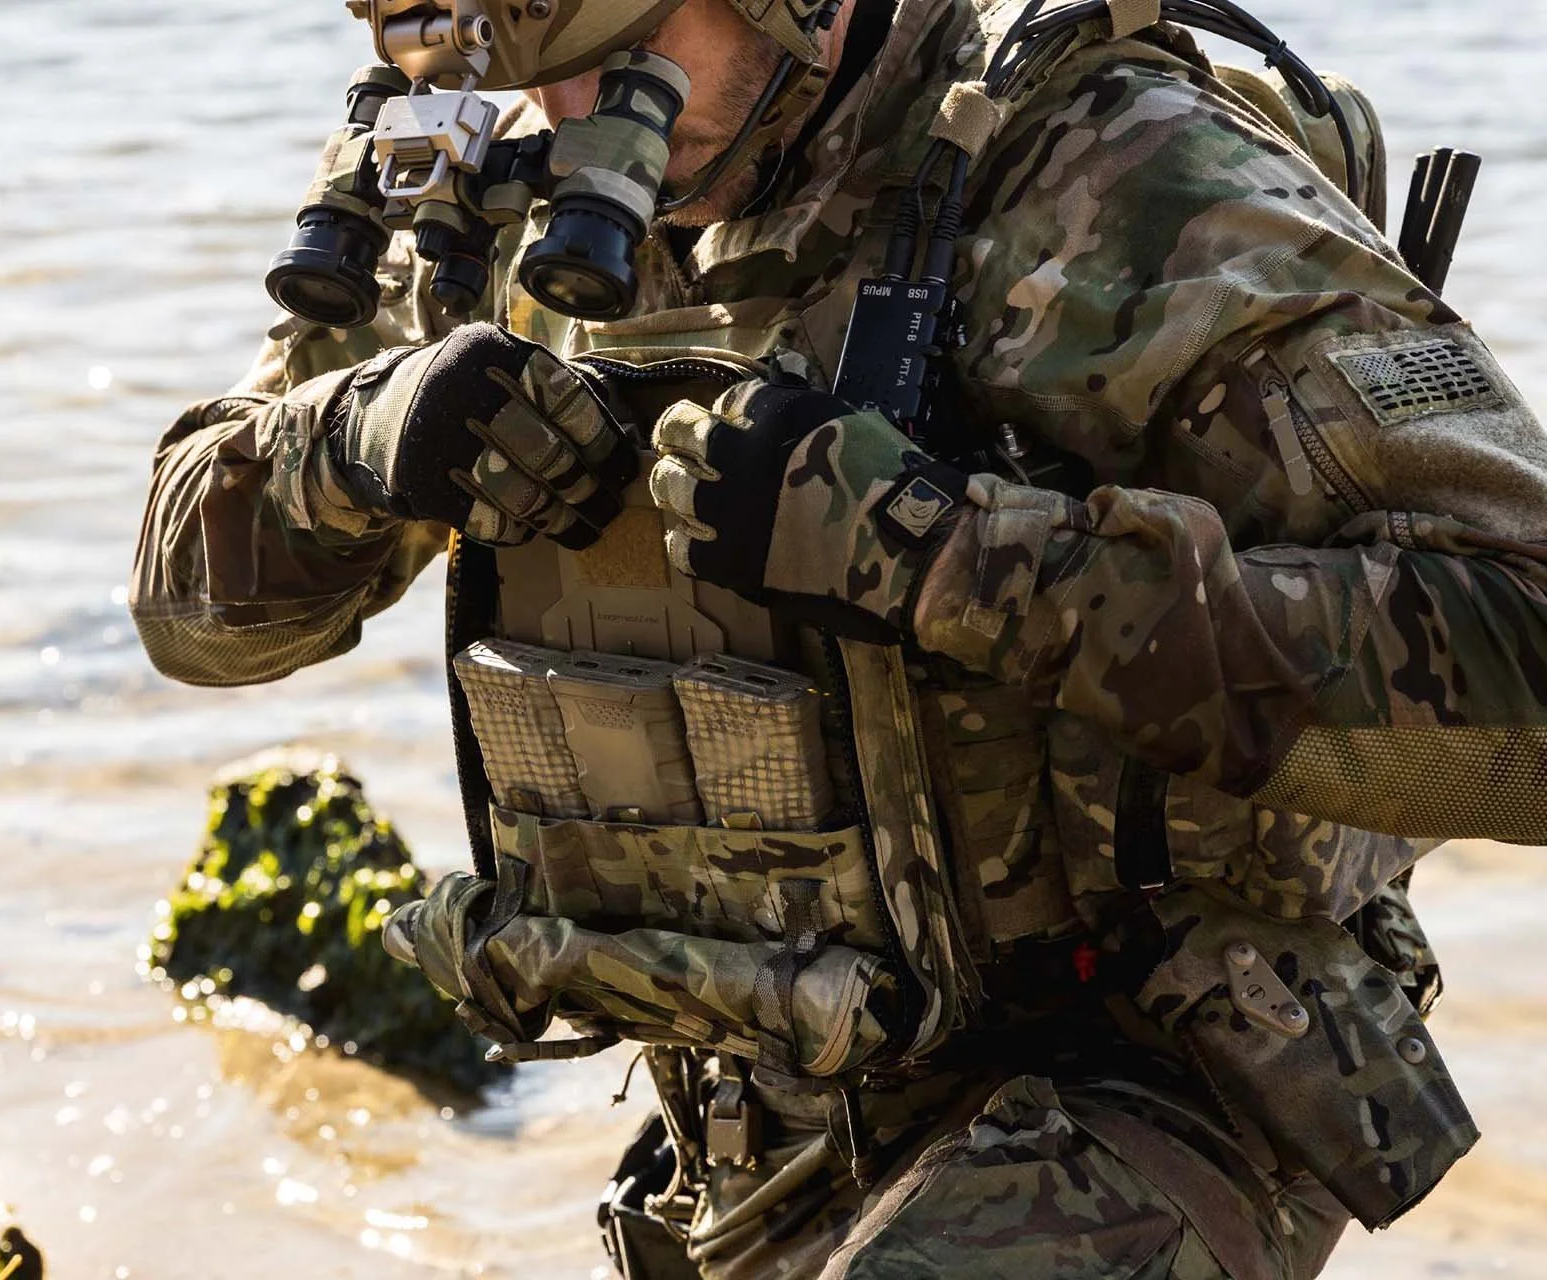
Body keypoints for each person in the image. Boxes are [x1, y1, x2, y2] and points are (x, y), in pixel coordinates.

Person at [132, 0, 1547, 1274]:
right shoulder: (526, 194)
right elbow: (190, 622)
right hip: (770, 1106)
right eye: (532, 72)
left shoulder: (1114, 176)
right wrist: (354, 450)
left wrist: (943, 556)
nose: (573, 124)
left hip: (1148, 1078)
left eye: (623, 62)